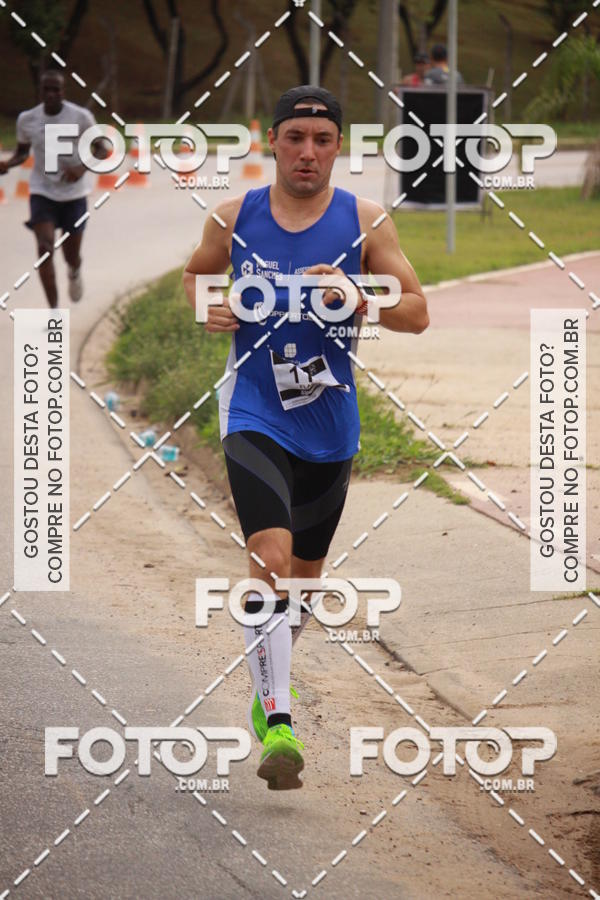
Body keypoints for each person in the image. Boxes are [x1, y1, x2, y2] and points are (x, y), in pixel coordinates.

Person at [183, 85, 429, 790]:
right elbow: (196, 280)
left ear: (338, 147)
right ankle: (281, 719)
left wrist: (359, 296)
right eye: (294, 137)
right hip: (255, 410)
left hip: (331, 423)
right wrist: (214, 308)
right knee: (270, 556)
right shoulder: (233, 218)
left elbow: (416, 312)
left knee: (304, 587)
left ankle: (266, 688)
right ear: (274, 143)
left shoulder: (367, 221)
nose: (307, 152)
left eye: (321, 140)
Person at [0, 70, 108, 308]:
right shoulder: (27, 119)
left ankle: (74, 270)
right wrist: (8, 164)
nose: (50, 94)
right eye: (46, 89)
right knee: (45, 247)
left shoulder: (81, 117)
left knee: (71, 254)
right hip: (42, 192)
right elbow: (22, 152)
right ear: (39, 91)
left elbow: (102, 148)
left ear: (63, 91)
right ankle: (54, 312)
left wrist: (80, 168)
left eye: (55, 89)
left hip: (75, 195)